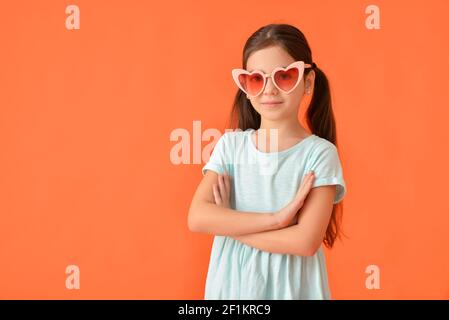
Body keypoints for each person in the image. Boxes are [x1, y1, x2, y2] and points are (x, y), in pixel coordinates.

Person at [188, 23, 347, 300]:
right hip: (232, 289)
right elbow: (198, 217)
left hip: (293, 291)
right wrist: (277, 220)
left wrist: (230, 226)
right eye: (257, 79)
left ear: (307, 82)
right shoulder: (230, 146)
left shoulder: (319, 154)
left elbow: (305, 242)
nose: (269, 89)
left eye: (284, 76)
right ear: (246, 88)